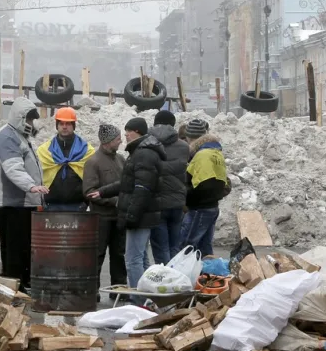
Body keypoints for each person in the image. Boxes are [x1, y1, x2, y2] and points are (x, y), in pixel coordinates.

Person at [98, 117, 165, 294]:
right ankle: (149, 296)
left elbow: (143, 188)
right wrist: (103, 191)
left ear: (139, 132)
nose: (126, 134)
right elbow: (127, 183)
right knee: (141, 257)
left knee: (133, 259)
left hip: (140, 216)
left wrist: (132, 215)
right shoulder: (140, 152)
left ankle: (139, 298)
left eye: (130, 130)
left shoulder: (144, 153)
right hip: (143, 214)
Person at [0, 97, 45, 292]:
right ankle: (14, 285)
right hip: (13, 203)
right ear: (20, 117)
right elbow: (13, 167)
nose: (31, 124)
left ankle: (22, 282)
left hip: (24, 202)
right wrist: (31, 186)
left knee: (24, 246)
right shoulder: (7, 136)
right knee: (15, 248)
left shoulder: (21, 137)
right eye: (29, 120)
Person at [83, 124, 127, 294]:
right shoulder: (93, 162)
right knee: (97, 255)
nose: (120, 141)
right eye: (117, 139)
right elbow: (89, 191)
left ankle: (120, 290)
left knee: (119, 255)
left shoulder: (121, 159)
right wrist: (114, 201)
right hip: (101, 218)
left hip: (118, 217)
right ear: (108, 142)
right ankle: (92, 292)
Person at [180, 119, 230, 256]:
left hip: (199, 208)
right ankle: (209, 276)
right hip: (211, 207)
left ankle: (184, 276)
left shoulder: (202, 155)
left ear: (189, 137)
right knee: (204, 249)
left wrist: (185, 197)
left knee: (186, 248)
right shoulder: (215, 152)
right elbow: (223, 182)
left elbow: (203, 185)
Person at [148, 111, 189, 265]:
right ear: (173, 125)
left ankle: (165, 279)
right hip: (177, 202)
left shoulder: (149, 144)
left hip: (157, 203)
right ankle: (176, 278)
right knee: (175, 247)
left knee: (161, 247)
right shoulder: (184, 147)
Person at [37, 108, 94, 212]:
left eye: (68, 124)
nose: (64, 127)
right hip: (51, 206)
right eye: (61, 123)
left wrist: (86, 202)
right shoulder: (44, 151)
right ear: (57, 126)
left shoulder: (87, 151)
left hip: (78, 206)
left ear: (73, 126)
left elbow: (92, 178)